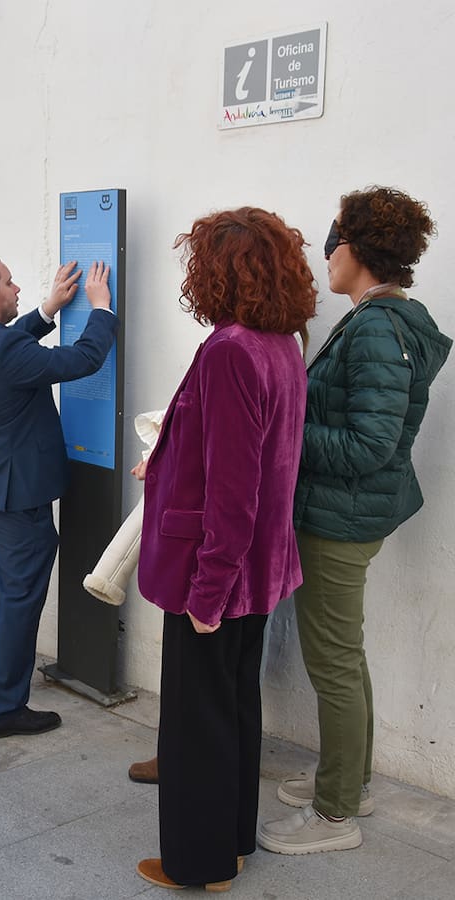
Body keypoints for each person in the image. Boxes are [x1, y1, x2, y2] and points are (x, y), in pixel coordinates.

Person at [258, 188, 451, 856]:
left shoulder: (376, 327)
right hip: (347, 514)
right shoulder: (383, 318)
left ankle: (335, 815)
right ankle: (353, 781)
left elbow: (370, 446)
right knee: (345, 656)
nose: (324, 257)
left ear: (355, 250)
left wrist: (284, 430)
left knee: (333, 663)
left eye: (329, 244)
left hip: (340, 520)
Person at [132, 208, 315, 892]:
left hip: (217, 571)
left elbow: (235, 486)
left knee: (196, 723)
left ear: (218, 272)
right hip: (259, 564)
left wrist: (208, 590)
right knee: (234, 706)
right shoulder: (280, 343)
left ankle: (198, 864)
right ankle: (233, 843)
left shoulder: (232, 349)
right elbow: (253, 460)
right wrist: (168, 458)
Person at [0, 254, 117, 738]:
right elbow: (82, 359)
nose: (18, 289)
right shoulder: (3, 351)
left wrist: (47, 311)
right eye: (10, 283)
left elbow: (7, 346)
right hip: (18, 492)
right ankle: (3, 708)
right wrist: (101, 309)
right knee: (20, 596)